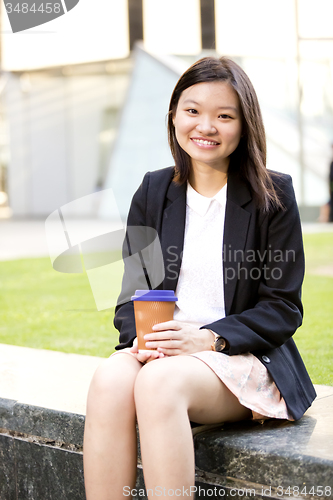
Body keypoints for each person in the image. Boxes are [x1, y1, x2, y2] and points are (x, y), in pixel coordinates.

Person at [83, 56, 316, 500]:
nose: (205, 126)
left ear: (244, 125)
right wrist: (147, 341)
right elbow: (130, 296)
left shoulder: (274, 195)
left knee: (158, 384)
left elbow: (283, 307)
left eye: (223, 116)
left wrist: (208, 339)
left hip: (243, 357)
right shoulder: (153, 190)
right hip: (166, 353)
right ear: (173, 116)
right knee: (110, 378)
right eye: (192, 111)